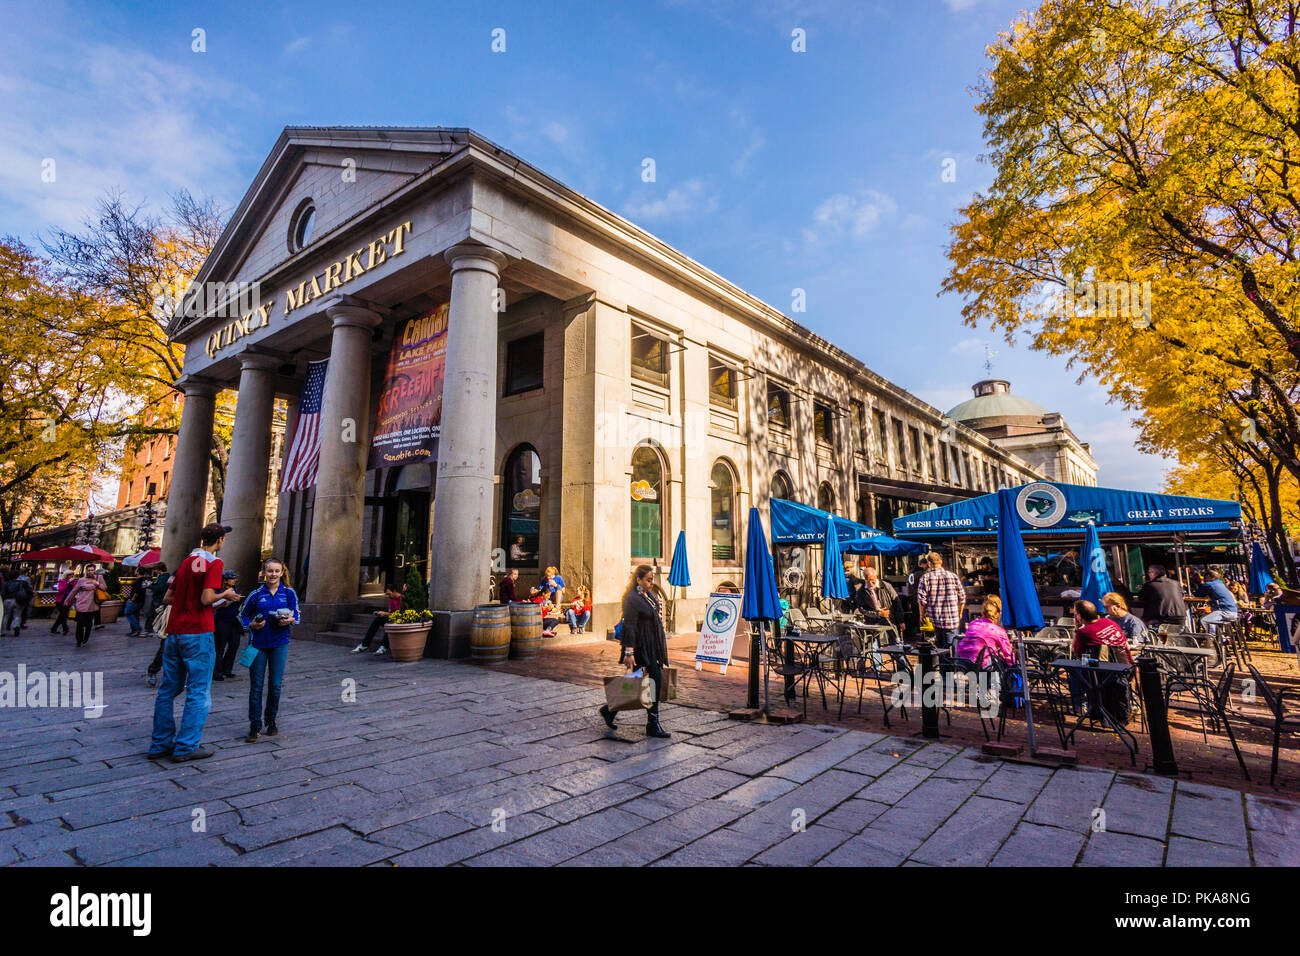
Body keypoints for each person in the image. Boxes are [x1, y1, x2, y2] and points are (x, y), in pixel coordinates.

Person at [148, 523, 239, 762]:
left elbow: (169, 597)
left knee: (168, 689)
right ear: (220, 540)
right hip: (198, 631)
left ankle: (159, 743)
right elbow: (207, 597)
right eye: (223, 538)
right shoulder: (214, 563)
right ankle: (186, 745)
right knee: (198, 690)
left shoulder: (187, 562)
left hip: (175, 632)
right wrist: (225, 595)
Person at [600, 565, 670, 738]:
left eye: (652, 579)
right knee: (655, 679)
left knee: (636, 681)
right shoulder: (631, 598)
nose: (651, 582)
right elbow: (629, 625)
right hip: (639, 646)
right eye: (648, 579)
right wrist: (629, 653)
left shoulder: (649, 596)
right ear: (638, 580)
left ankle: (609, 710)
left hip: (651, 645)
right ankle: (652, 724)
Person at [239, 557, 299, 742]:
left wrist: (290, 620)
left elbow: (296, 614)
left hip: (280, 643)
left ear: (282, 573)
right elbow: (242, 616)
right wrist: (252, 625)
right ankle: (254, 724)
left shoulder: (289, 593)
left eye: (276, 571)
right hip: (258, 645)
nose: (273, 574)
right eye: (269, 571)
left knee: (275, 685)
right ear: (263, 573)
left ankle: (271, 720)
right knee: (256, 686)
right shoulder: (256, 594)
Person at [916, 552, 965, 648]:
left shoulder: (925, 578)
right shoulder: (953, 576)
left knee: (939, 651)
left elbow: (922, 600)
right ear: (941, 562)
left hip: (936, 621)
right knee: (952, 651)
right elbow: (962, 597)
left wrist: (921, 615)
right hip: (952, 621)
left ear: (929, 564)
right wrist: (960, 612)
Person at [956, 595, 1016, 667]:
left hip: (964, 663)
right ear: (997, 614)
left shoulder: (973, 624)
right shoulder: (998, 631)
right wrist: (1013, 667)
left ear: (982, 612)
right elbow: (1008, 655)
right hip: (984, 666)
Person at [352, 582, 404, 655]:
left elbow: (400, 614)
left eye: (389, 594)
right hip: (392, 617)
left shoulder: (401, 599)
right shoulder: (392, 598)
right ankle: (364, 645)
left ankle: (383, 647)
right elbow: (390, 612)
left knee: (390, 624)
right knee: (377, 620)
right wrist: (382, 614)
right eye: (387, 594)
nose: (388, 596)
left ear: (395, 591)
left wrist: (386, 614)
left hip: (400, 620)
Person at [211, 569, 245, 680]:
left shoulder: (234, 589)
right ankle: (217, 671)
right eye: (232, 578)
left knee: (234, 646)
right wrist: (226, 601)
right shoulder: (218, 590)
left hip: (234, 621)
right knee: (220, 647)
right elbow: (214, 604)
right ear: (225, 580)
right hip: (222, 620)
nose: (234, 580)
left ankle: (227, 669)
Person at [68, 564, 108, 648]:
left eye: (92, 570)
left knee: (89, 624)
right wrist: (67, 600)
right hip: (82, 604)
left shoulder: (98, 578)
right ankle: (79, 640)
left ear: (94, 570)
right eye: (88, 570)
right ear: (86, 571)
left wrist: (97, 584)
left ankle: (86, 637)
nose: (90, 572)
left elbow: (104, 588)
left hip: (92, 605)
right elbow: (74, 590)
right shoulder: (81, 580)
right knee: (80, 624)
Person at [1137, 564, 1188, 629]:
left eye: (1149, 572)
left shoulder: (1149, 585)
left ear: (1153, 573)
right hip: (1180, 617)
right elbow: (1182, 595)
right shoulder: (1176, 583)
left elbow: (1141, 597)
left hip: (1161, 619)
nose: (1148, 574)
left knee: (1139, 623)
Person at [145, 566, 173, 687]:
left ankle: (175, 676)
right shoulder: (175, 578)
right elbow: (167, 598)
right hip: (172, 617)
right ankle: (153, 671)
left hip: (186, 619)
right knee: (165, 648)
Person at [1196, 569, 1239, 638]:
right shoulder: (1221, 584)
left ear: (1209, 577)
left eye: (1205, 578)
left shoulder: (1210, 585)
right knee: (1210, 618)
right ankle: (1221, 639)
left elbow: (1198, 594)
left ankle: (1215, 639)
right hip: (1233, 611)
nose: (1204, 580)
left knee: (1204, 620)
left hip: (1225, 611)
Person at [7, 570, 34, 636]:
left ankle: (5, 627)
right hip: (20, 599)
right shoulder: (25, 580)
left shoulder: (8, 582)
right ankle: (16, 626)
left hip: (9, 599)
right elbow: (29, 589)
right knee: (18, 614)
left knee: (7, 614)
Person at [49, 570, 75, 635]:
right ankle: (65, 629)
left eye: (72, 575)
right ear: (66, 575)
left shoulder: (73, 582)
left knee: (62, 615)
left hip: (68, 600)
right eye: (69, 575)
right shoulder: (62, 581)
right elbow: (61, 590)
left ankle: (54, 628)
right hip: (61, 601)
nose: (71, 576)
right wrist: (68, 583)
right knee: (64, 615)